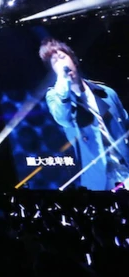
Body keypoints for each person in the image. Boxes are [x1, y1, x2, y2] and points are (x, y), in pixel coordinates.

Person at [41, 38, 129, 190]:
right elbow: (62, 118)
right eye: (55, 62)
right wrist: (63, 86)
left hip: (125, 169)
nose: (61, 64)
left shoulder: (106, 93)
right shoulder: (56, 97)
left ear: (73, 60)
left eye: (62, 57)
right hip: (99, 181)